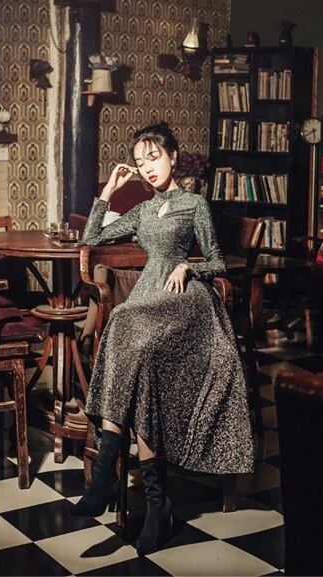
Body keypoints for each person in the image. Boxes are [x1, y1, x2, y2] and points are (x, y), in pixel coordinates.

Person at [72, 122, 255, 554]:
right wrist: (109, 191)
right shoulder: (140, 210)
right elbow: (91, 238)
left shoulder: (194, 204)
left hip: (186, 299)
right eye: (140, 163)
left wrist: (190, 266)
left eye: (153, 157)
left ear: (173, 156)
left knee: (125, 324)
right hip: (148, 297)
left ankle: (107, 475)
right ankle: (155, 505)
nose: (147, 168)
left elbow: (218, 261)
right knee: (133, 341)